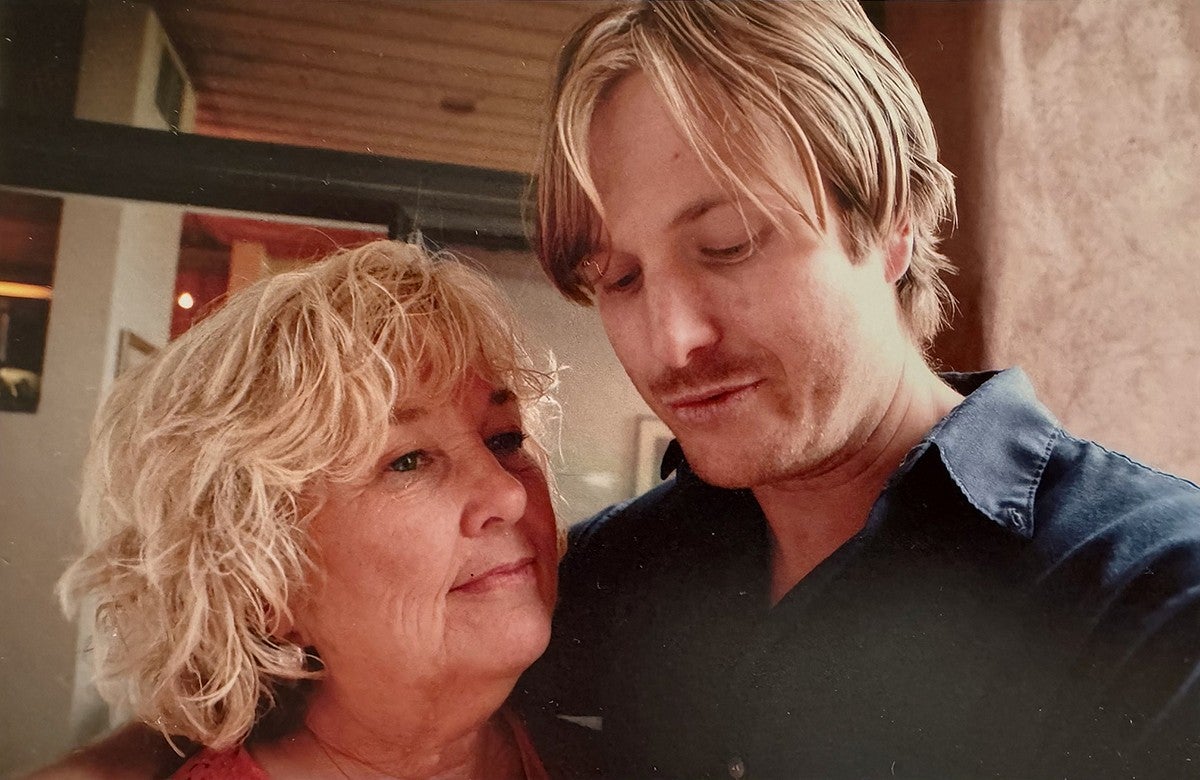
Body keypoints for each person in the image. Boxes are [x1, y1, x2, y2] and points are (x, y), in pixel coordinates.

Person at [511, 1, 1200, 778]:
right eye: (620, 280)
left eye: (728, 245)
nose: (671, 343)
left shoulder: (1160, 594)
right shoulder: (607, 576)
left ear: (893, 224)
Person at [47, 240, 589, 779]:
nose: (509, 495)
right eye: (408, 461)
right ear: (267, 584)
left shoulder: (619, 753)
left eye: (504, 439)